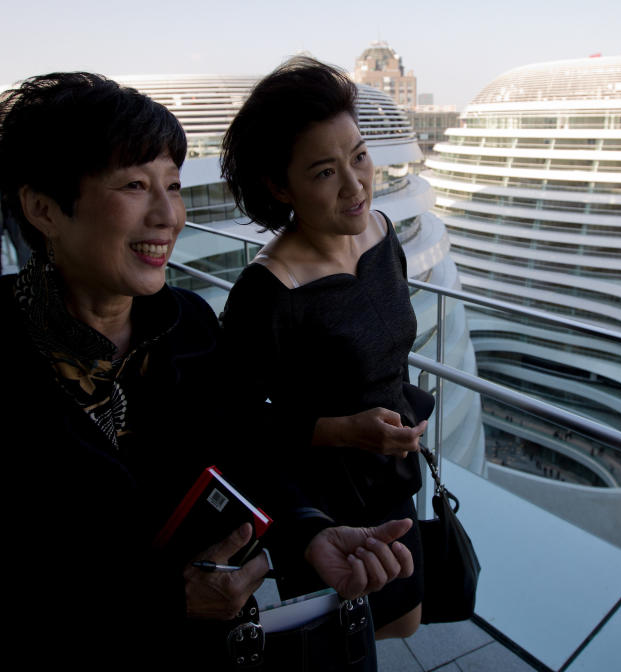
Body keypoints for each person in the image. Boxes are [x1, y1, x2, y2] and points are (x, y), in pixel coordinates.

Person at [0, 71, 414, 671]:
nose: (170, 215)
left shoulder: (188, 325)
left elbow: (245, 446)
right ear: (43, 208)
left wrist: (310, 532)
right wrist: (162, 600)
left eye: (173, 184)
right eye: (136, 186)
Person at [220, 57, 428, 639]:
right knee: (343, 637)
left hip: (391, 473)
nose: (356, 183)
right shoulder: (268, 291)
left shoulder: (383, 233)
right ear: (279, 185)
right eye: (323, 172)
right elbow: (236, 425)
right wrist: (343, 430)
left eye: (358, 156)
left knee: (405, 618)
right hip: (321, 502)